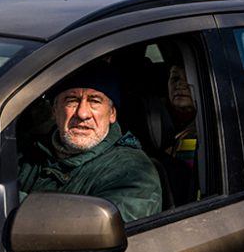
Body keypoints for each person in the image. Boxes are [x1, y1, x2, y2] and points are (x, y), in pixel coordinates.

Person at [16, 61, 163, 222]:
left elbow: (93, 231)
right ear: (54, 111)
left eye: (94, 101)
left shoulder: (134, 171)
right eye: (72, 100)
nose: (82, 113)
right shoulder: (24, 153)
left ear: (112, 113)